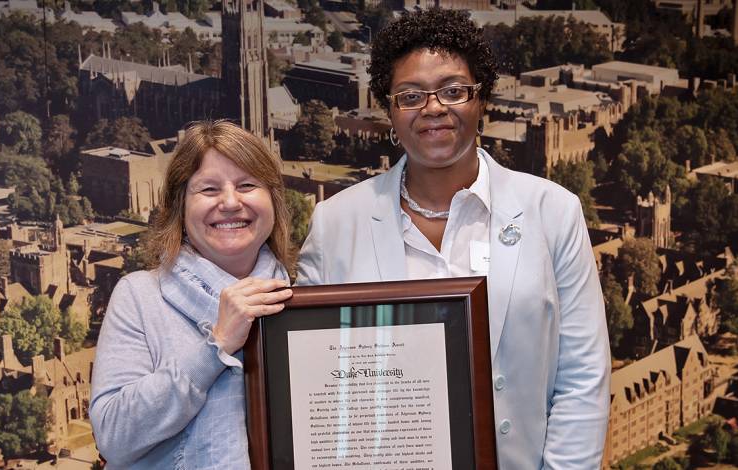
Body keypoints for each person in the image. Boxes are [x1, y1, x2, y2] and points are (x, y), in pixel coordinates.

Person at [296, 8, 610, 469]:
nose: (433, 108)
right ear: (389, 109)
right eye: (410, 95)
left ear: (481, 100)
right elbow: (313, 376)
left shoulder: (554, 212)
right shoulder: (334, 222)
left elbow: (583, 377)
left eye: (453, 90)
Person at [90, 120, 293, 469]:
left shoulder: (302, 302)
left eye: (247, 185)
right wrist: (215, 346)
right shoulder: (139, 297)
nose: (230, 202)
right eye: (209, 190)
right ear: (181, 208)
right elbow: (113, 435)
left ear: (272, 201)